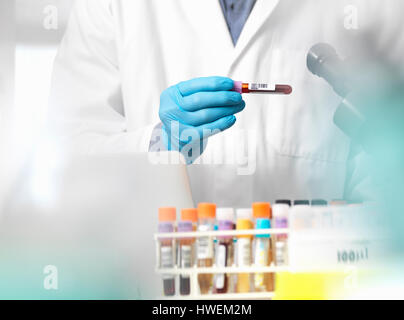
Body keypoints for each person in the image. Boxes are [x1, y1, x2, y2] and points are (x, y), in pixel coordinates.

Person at [48, 0, 404, 207]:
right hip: (159, 287)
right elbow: (67, 161)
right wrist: (156, 145)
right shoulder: (111, 6)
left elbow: (386, 174)